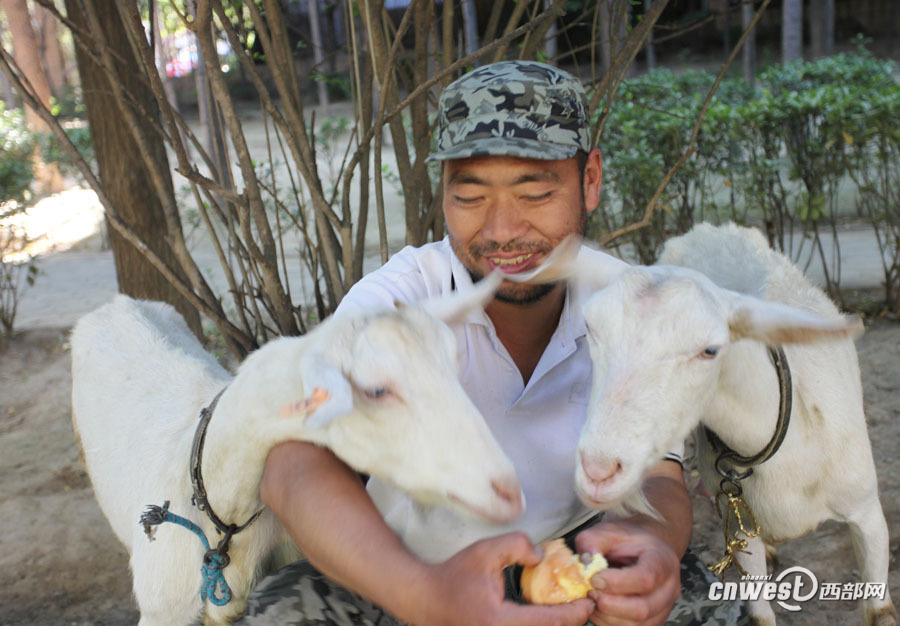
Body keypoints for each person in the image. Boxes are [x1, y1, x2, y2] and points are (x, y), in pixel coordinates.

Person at [240, 61, 745, 626]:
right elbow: (292, 465)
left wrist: (649, 540)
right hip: (405, 577)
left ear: (591, 180)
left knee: (717, 609)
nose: (502, 230)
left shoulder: (634, 305)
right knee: (282, 611)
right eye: (471, 196)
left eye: (534, 192)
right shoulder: (398, 302)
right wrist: (427, 596)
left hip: (575, 570)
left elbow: (661, 474)